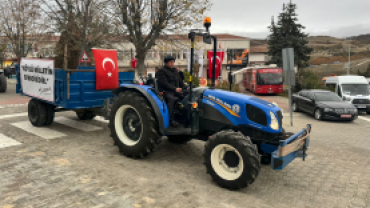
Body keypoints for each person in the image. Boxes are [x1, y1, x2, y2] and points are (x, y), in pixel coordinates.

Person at [156, 55, 184, 127]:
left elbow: (180, 81)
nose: (172, 63)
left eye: (173, 62)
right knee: (171, 99)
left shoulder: (175, 70)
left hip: (175, 91)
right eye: (170, 62)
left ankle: (184, 118)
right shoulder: (162, 71)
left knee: (186, 96)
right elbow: (164, 84)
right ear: (166, 63)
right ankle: (171, 120)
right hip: (166, 91)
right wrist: (175, 89)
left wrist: (186, 87)